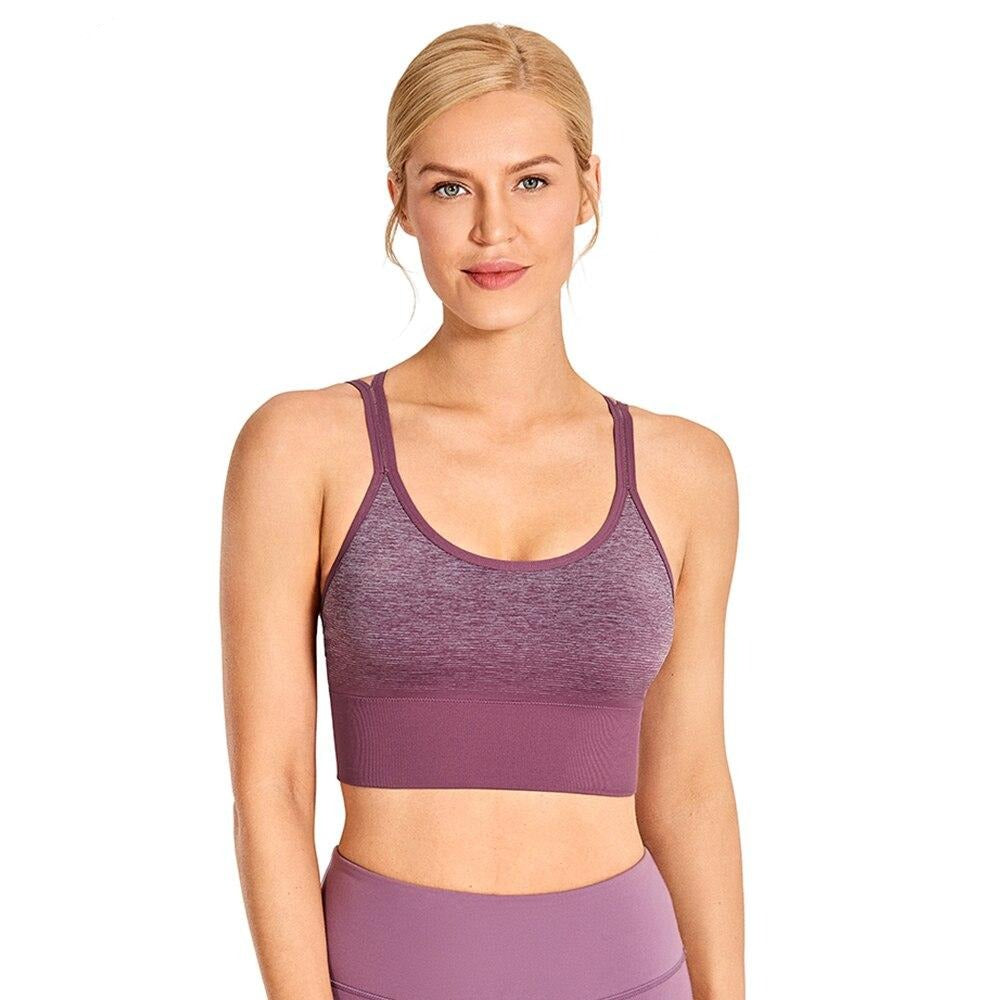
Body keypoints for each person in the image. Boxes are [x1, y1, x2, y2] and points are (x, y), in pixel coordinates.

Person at [220, 22, 743, 1000]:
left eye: (531, 181)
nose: (493, 229)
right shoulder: (304, 447)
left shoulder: (685, 470)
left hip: (633, 974)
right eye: (450, 188)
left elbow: (690, 789)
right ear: (401, 201)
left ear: (589, 188)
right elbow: (272, 787)